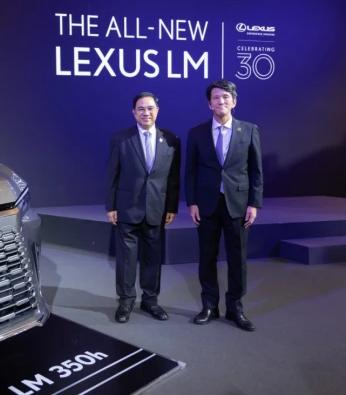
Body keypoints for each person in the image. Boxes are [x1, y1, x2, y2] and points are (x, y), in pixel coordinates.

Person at [185, 79, 263, 331]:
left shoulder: (249, 130)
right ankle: (209, 306)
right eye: (216, 97)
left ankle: (235, 308)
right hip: (206, 205)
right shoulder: (196, 133)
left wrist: (254, 203)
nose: (221, 101)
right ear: (209, 104)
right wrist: (192, 202)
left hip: (238, 204)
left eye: (225, 97)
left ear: (234, 102)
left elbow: (256, 171)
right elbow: (191, 171)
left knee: (237, 258)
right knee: (207, 257)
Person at [105, 92, 181, 323]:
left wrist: (172, 207)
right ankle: (126, 301)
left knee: (153, 258)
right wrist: (111, 206)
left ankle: (150, 301)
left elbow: (173, 178)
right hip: (127, 207)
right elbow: (112, 175)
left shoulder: (171, 139)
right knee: (126, 259)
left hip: (157, 208)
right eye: (141, 109)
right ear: (133, 112)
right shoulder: (121, 138)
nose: (146, 113)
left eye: (150, 108)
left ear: (157, 111)